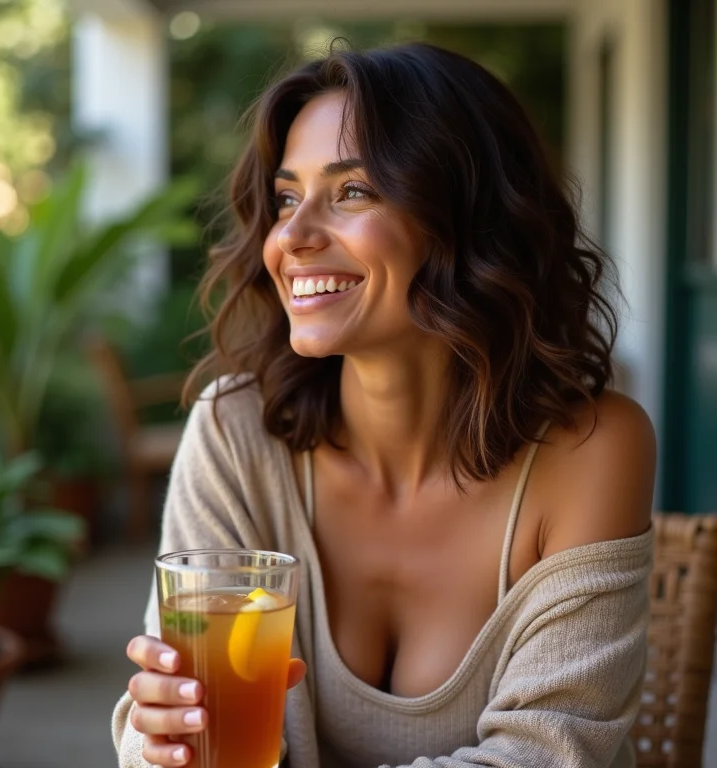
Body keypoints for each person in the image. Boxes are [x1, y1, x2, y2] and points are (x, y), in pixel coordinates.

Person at [112, 42, 656, 768]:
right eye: (285, 198)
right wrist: (159, 743)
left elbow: (544, 757)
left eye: (352, 192)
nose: (292, 239)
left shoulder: (592, 447)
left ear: (467, 217)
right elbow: (188, 731)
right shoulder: (236, 432)